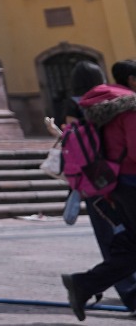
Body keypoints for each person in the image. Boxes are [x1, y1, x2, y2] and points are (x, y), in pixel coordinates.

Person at [63, 63, 136, 320]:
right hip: (131, 182)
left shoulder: (94, 108)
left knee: (127, 247)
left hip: (109, 183)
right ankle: (84, 285)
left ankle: (84, 285)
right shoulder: (129, 106)